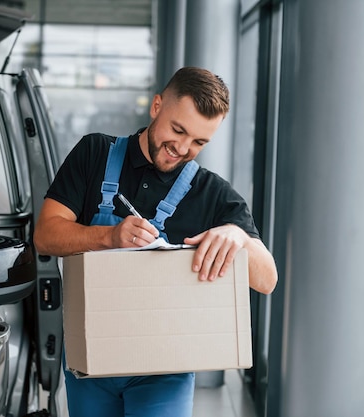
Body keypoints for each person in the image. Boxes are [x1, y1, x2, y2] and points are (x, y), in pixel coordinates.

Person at [34, 66, 278, 417]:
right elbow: (45, 236)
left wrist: (238, 235)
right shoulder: (94, 154)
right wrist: (109, 236)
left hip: (166, 371)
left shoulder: (211, 193)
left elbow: (267, 279)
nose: (182, 148)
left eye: (199, 142)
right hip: (91, 359)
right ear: (157, 106)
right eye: (178, 130)